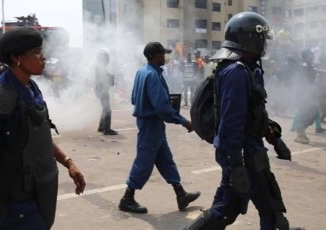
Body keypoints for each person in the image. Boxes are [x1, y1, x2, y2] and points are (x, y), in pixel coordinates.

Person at [0, 27, 86, 230]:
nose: (44, 57)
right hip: (11, 204)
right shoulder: (0, 97)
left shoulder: (30, 88)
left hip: (34, 195)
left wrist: (68, 162)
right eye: (37, 52)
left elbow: (38, 133)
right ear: (17, 57)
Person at [184, 12, 302, 230]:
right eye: (262, 38)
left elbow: (252, 111)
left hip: (247, 148)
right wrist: (236, 164)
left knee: (257, 206)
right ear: (249, 38)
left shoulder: (248, 67)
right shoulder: (236, 71)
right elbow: (231, 122)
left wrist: (273, 136)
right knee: (230, 209)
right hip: (242, 151)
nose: (264, 44)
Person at [118, 42, 200, 214]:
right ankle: (127, 198)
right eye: (163, 54)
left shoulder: (142, 72)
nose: (165, 57)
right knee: (144, 161)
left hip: (149, 122)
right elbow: (162, 108)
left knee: (165, 159)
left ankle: (180, 194)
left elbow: (134, 98)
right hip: (151, 123)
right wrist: (183, 121)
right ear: (155, 56)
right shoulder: (153, 76)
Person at [95, 50, 117, 135]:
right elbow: (103, 81)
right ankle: (106, 129)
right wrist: (110, 78)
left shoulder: (100, 68)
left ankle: (101, 127)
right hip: (102, 91)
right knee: (107, 109)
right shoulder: (101, 68)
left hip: (101, 90)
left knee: (105, 108)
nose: (108, 61)